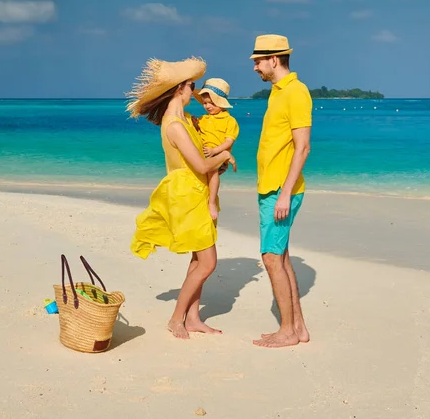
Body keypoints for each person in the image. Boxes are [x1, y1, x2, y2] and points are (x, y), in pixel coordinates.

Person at [127, 57, 237, 339]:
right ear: (179, 89)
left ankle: (193, 318)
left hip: (197, 192)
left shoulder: (185, 119)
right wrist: (225, 155)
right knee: (209, 263)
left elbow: (203, 157)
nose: (194, 92)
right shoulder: (175, 124)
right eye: (191, 86)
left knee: (198, 260)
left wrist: (218, 155)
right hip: (188, 195)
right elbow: (200, 166)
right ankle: (177, 318)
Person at [250, 34, 312, 348]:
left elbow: (302, 148)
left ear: (274, 59)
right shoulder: (277, 92)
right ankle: (297, 327)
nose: (255, 67)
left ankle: (286, 331)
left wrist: (285, 192)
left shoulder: (296, 92)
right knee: (282, 257)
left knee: (271, 257)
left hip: (280, 190)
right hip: (271, 187)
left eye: (258, 61)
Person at [192, 78, 240, 223]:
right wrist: (194, 124)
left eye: (211, 103)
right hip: (205, 153)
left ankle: (212, 202)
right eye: (205, 103)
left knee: (212, 172)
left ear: (220, 103)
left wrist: (215, 151)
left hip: (217, 153)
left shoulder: (229, 121)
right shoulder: (203, 119)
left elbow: (229, 141)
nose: (207, 106)